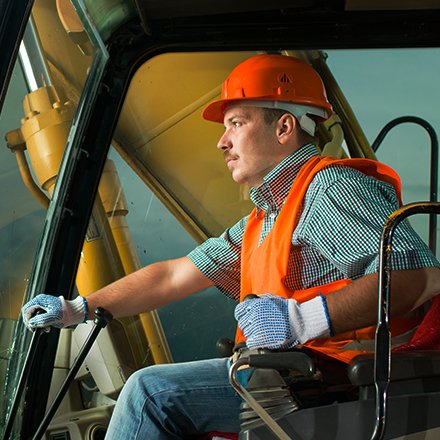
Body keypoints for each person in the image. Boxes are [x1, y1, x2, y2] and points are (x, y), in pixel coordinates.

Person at [22, 54, 440, 438]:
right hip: (294, 379)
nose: (222, 142)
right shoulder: (268, 217)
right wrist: (80, 308)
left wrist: (298, 320)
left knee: (151, 393)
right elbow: (172, 275)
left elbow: (412, 278)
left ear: (284, 127)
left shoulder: (331, 188)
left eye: (237, 123)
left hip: (340, 385)